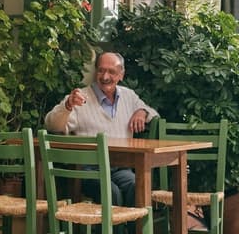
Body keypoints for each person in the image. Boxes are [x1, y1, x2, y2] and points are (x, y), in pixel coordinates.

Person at [44, 50, 158, 210]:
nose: (105, 77)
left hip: (120, 168)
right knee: (112, 192)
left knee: (137, 185)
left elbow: (152, 112)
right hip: (88, 171)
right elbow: (51, 124)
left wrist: (142, 112)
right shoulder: (79, 97)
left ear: (121, 75)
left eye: (111, 72)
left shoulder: (129, 96)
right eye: (101, 70)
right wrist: (68, 105)